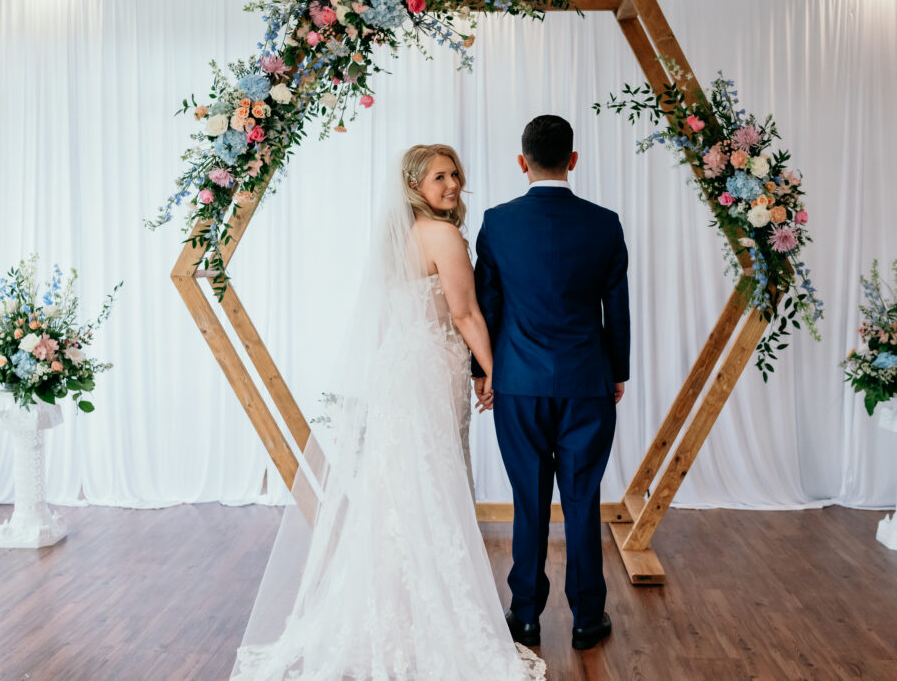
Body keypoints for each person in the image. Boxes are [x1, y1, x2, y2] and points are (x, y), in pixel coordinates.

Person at [231, 144, 545, 680]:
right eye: (439, 178)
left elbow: (393, 313)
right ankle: (425, 612)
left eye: (455, 175)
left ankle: (390, 608)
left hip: (402, 368)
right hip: (430, 368)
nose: (451, 185)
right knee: (431, 483)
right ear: (415, 187)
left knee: (400, 487)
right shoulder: (443, 236)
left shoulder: (394, 238)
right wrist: (494, 371)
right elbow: (465, 312)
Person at [472, 115, 630, 651]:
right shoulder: (605, 223)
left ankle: (525, 617)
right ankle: (588, 618)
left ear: (523, 162)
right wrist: (619, 372)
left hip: (518, 384)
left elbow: (486, 305)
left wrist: (482, 373)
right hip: (588, 381)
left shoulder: (496, 223)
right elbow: (618, 310)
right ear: (573, 160)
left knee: (529, 500)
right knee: (583, 498)